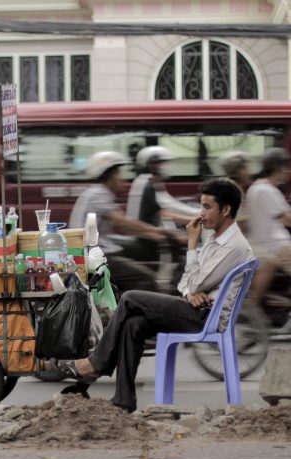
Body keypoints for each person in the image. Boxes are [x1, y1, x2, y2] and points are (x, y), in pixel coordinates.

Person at [59, 178, 253, 412]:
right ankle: (124, 400)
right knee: (133, 323)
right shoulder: (215, 239)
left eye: (207, 207)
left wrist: (191, 244)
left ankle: (95, 363)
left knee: (130, 298)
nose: (201, 213)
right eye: (201, 206)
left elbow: (196, 280)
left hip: (207, 317)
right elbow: (186, 282)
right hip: (197, 307)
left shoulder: (232, 246)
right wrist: (189, 293)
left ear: (226, 210)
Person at [69, 151, 168, 292]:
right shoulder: (99, 194)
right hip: (94, 256)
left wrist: (152, 235)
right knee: (146, 279)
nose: (122, 179)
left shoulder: (95, 192)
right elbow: (123, 221)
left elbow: (125, 228)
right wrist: (158, 231)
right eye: (118, 173)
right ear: (110, 175)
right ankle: (130, 311)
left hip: (92, 253)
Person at [245, 148, 291, 309]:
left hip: (269, 242)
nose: (288, 171)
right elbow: (286, 219)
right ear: (277, 168)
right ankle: (254, 306)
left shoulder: (256, 187)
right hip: (276, 244)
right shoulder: (267, 190)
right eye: (286, 167)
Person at [127, 146, 197, 227]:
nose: (165, 166)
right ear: (151, 165)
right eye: (161, 163)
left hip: (150, 230)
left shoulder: (149, 182)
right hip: (145, 234)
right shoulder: (146, 184)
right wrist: (197, 216)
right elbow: (165, 211)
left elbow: (169, 204)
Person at [218, 151, 252, 233]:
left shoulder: (226, 185)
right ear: (238, 171)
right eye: (245, 168)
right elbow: (241, 225)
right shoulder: (233, 191)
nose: (249, 172)